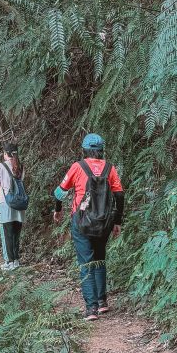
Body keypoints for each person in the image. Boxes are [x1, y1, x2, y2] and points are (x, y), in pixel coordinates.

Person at [52, 133, 124, 320]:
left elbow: (60, 192)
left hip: (82, 220)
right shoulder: (110, 168)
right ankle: (102, 302)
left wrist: (57, 210)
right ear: (101, 150)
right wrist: (117, 221)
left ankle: (91, 308)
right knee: (100, 257)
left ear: (85, 149)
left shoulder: (78, 167)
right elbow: (119, 195)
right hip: (105, 222)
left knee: (86, 262)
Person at [0, 142, 26, 271]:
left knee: (6, 233)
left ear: (5, 154)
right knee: (16, 233)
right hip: (19, 203)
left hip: (5, 203)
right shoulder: (21, 166)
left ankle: (9, 262)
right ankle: (16, 260)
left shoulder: (0, 166)